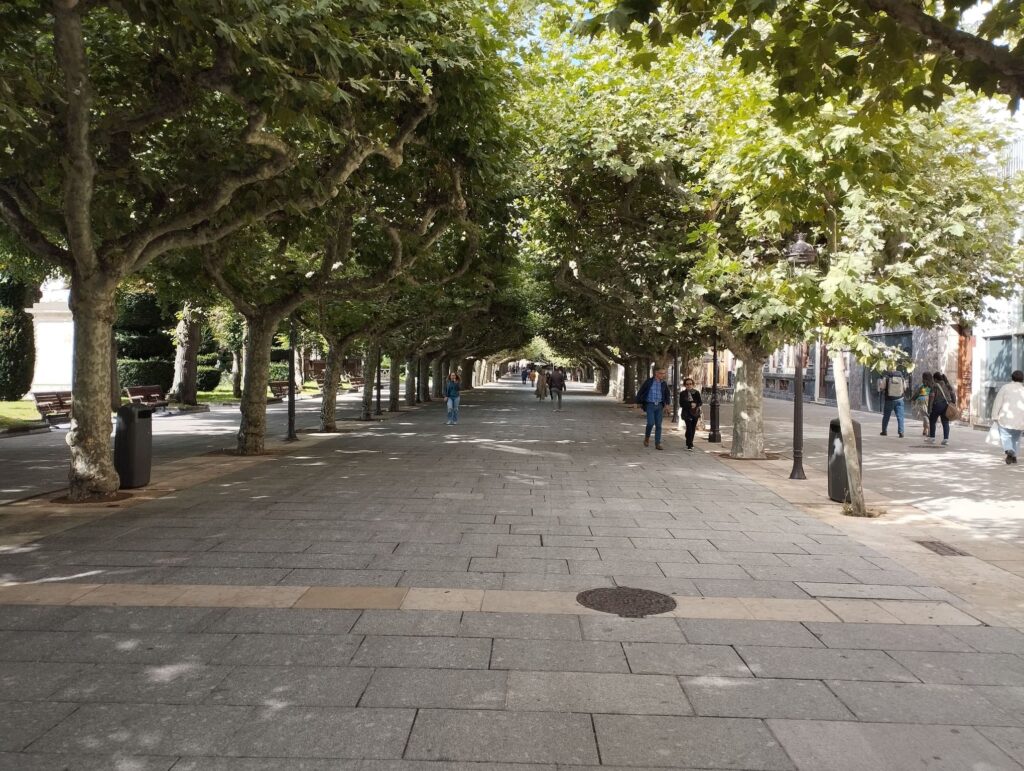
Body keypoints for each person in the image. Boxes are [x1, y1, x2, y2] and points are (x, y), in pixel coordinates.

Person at [991, 370, 1024, 464]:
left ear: (1012, 377)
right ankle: (1014, 456)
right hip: (1020, 420)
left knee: (1005, 435)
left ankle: (1009, 450)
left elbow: (998, 402)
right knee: (1016, 438)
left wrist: (994, 415)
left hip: (1005, 418)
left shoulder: (1005, 388)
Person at [636, 367, 672, 450]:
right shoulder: (649, 382)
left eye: (664, 373)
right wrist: (637, 402)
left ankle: (657, 443)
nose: (663, 375)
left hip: (659, 405)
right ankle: (647, 437)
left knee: (659, 425)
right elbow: (641, 392)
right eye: (661, 373)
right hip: (650, 405)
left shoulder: (663, 383)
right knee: (650, 423)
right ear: (656, 373)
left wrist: (667, 405)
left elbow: (667, 395)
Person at [926, 371, 956, 446]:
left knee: (932, 420)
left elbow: (931, 397)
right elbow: (953, 394)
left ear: (935, 379)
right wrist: (953, 403)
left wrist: (929, 408)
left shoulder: (935, 386)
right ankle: (946, 439)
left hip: (937, 405)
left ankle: (932, 438)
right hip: (946, 405)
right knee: (945, 422)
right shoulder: (947, 385)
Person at [878, 369, 907, 438]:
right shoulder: (901, 378)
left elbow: (881, 387)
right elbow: (905, 388)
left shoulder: (887, 378)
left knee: (886, 416)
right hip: (899, 399)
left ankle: (884, 431)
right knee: (900, 417)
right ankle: (901, 432)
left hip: (889, 400)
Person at [678, 376, 702, 450]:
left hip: (695, 413)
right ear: (685, 385)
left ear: (692, 384)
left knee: (693, 428)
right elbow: (681, 404)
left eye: (690, 384)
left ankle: (689, 441)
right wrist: (690, 405)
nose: (689, 385)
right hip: (686, 413)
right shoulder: (682, 394)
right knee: (689, 427)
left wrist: (696, 404)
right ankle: (690, 444)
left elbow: (700, 402)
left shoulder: (696, 392)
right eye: (687, 384)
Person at [912, 372, 933, 436]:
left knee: (925, 417)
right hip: (931, 401)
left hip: (922, 402)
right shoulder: (932, 385)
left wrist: (913, 399)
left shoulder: (923, 386)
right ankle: (925, 430)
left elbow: (917, 393)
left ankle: (929, 430)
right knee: (928, 416)